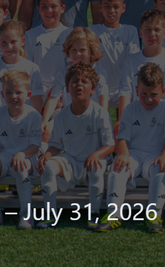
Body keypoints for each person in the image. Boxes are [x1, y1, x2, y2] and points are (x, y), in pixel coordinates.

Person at [38, 62, 115, 230]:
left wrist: (96, 154)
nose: (78, 84)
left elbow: (110, 146)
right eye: (74, 81)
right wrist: (48, 154)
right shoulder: (61, 116)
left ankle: (94, 213)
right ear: (67, 88)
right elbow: (55, 145)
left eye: (84, 81)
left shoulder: (100, 113)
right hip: (71, 160)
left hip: (95, 159)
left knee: (96, 167)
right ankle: (50, 214)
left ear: (93, 89)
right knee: (48, 166)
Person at [105, 63, 165, 233]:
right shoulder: (130, 109)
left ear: (163, 92)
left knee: (161, 169)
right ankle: (113, 215)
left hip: (156, 155)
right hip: (134, 154)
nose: (148, 99)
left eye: (154, 94)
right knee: (117, 167)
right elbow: (122, 138)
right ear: (136, 90)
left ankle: (154, 215)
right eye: (143, 94)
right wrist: (123, 154)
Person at [0, 71, 43, 230]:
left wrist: (22, 154)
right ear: (2, 94)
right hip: (5, 156)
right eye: (8, 92)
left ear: (28, 95)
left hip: (27, 157)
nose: (13, 96)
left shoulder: (34, 115)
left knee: (20, 166)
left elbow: (35, 146)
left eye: (18, 92)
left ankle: (26, 214)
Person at [117, 10, 165, 119]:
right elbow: (125, 93)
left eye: (157, 30)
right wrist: (123, 119)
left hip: (162, 119)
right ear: (141, 33)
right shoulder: (130, 61)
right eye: (147, 30)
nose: (152, 34)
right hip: (137, 119)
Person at [0, 20, 44, 116]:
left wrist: (34, 120)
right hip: (0, 120)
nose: (9, 47)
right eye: (4, 43)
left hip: (25, 120)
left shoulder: (32, 68)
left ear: (22, 41)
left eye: (13, 42)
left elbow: (37, 98)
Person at [91, 0, 139, 111]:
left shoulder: (130, 31)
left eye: (116, 7)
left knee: (123, 119)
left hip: (124, 86)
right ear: (100, 7)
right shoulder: (92, 31)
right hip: (99, 86)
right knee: (100, 118)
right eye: (107, 6)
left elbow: (134, 60)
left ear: (123, 8)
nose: (111, 11)